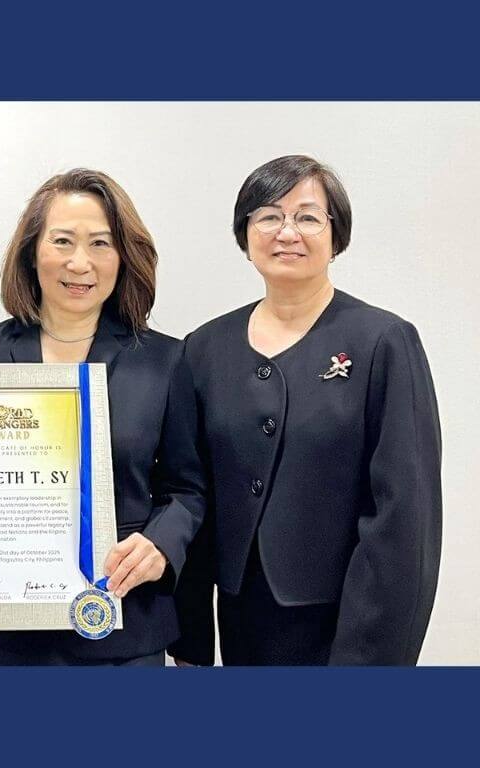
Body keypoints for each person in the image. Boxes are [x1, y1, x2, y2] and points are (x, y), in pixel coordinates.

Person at [170, 155, 441, 666]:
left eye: (308, 217)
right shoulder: (203, 349)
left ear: (335, 236)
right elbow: (191, 494)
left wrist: (369, 655)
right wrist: (191, 645)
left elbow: (405, 515)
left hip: (346, 626)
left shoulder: (383, 341)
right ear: (245, 234)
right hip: (241, 621)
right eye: (268, 216)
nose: (286, 231)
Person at [0, 169, 205, 665]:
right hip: (12, 637)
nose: (79, 262)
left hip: (125, 629)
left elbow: (188, 491)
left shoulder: (166, 360)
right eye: (62, 241)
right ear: (32, 251)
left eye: (100, 244)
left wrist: (159, 544)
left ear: (122, 257)